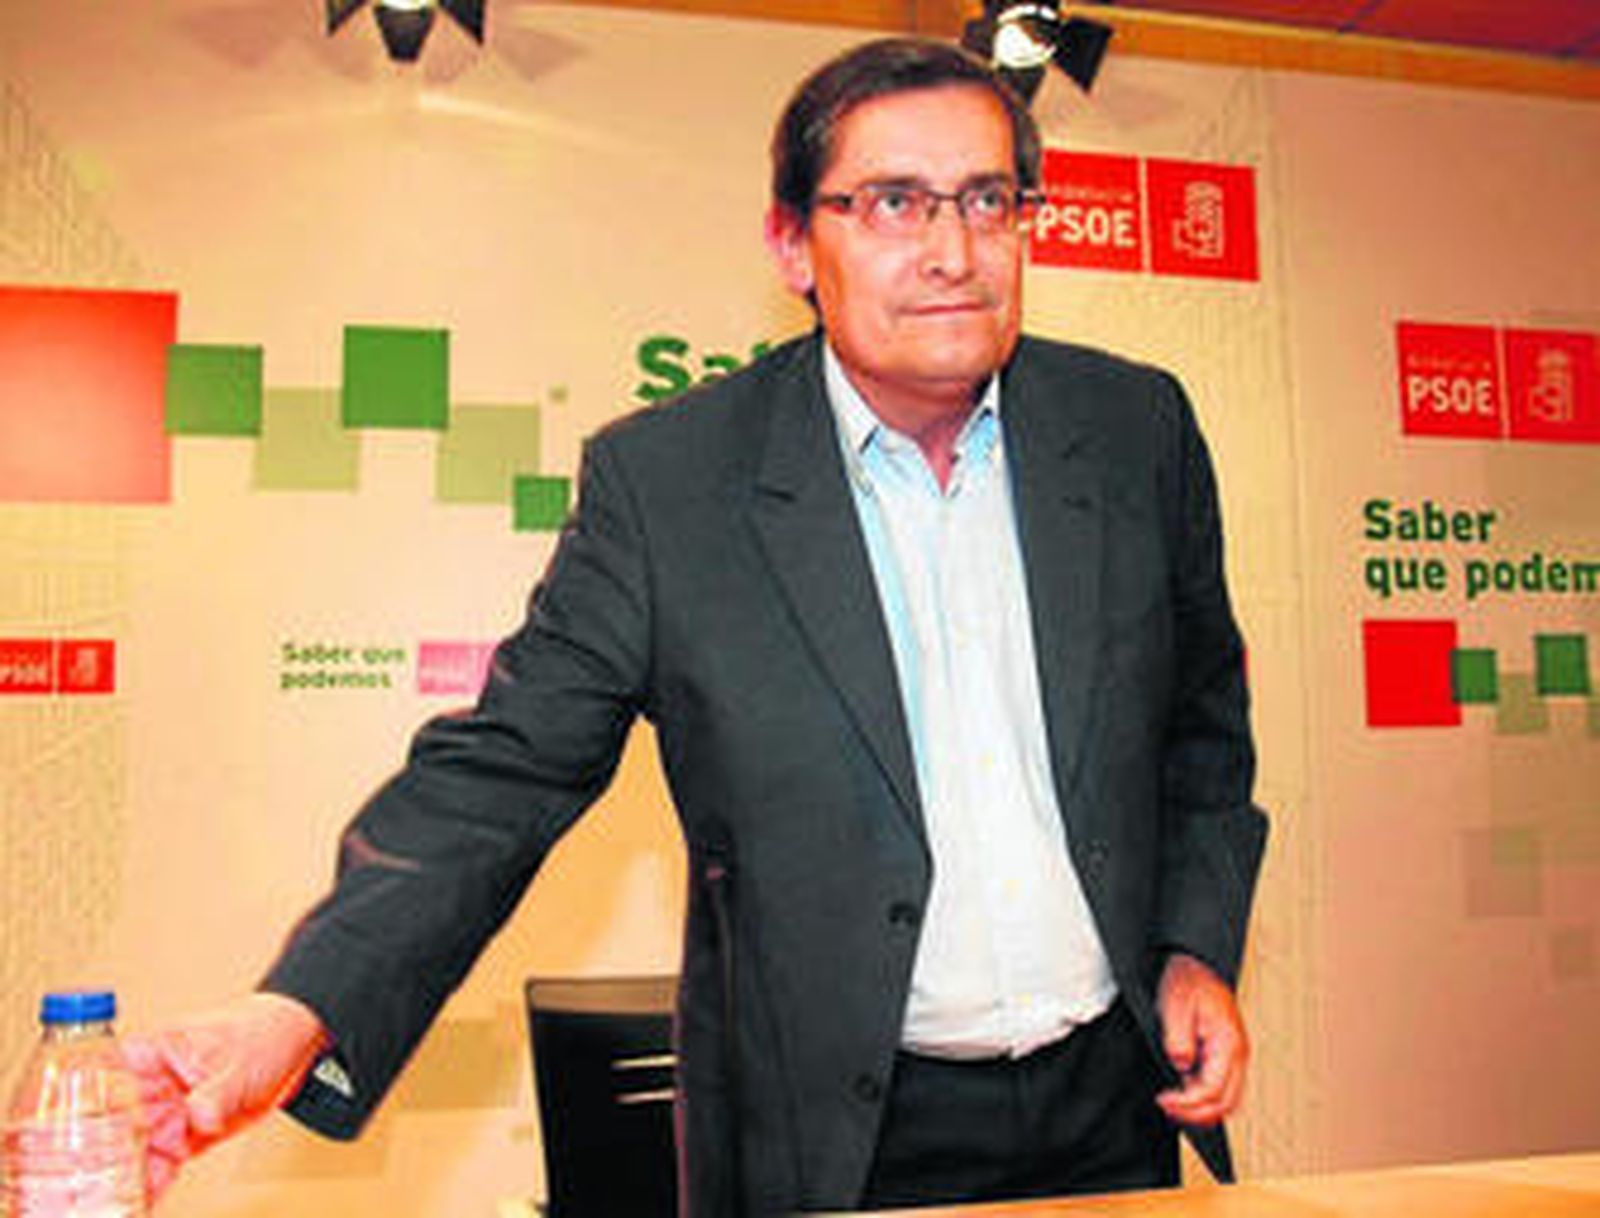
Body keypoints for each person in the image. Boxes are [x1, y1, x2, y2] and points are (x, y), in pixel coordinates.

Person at [124, 36, 1266, 1216]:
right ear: (792, 244)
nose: (952, 252)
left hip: (1112, 1104)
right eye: (892, 203)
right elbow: (504, 772)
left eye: (987, 200)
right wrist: (296, 1011)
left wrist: (1190, 945)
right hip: (837, 1134)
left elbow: (1200, 729)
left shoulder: (1134, 430)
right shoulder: (670, 485)